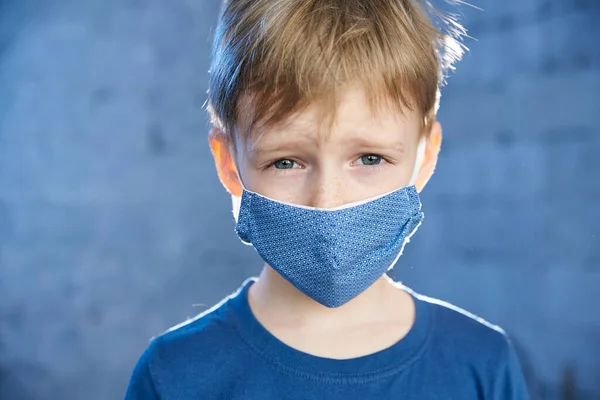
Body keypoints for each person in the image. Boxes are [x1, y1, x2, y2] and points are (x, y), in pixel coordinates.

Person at [125, 0, 530, 398]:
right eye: (285, 162)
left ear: (426, 156)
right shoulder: (174, 377)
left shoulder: (482, 365)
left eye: (370, 158)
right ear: (229, 163)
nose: (327, 202)